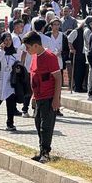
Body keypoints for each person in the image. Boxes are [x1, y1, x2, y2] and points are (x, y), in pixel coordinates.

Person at [23, 31, 61, 164]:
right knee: (38, 123)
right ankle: (41, 151)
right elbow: (34, 77)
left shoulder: (50, 57)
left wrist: (56, 99)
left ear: (35, 46)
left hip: (49, 97)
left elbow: (58, 78)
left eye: (28, 47)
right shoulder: (34, 57)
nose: (26, 50)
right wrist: (33, 96)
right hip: (38, 97)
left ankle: (46, 153)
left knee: (46, 126)